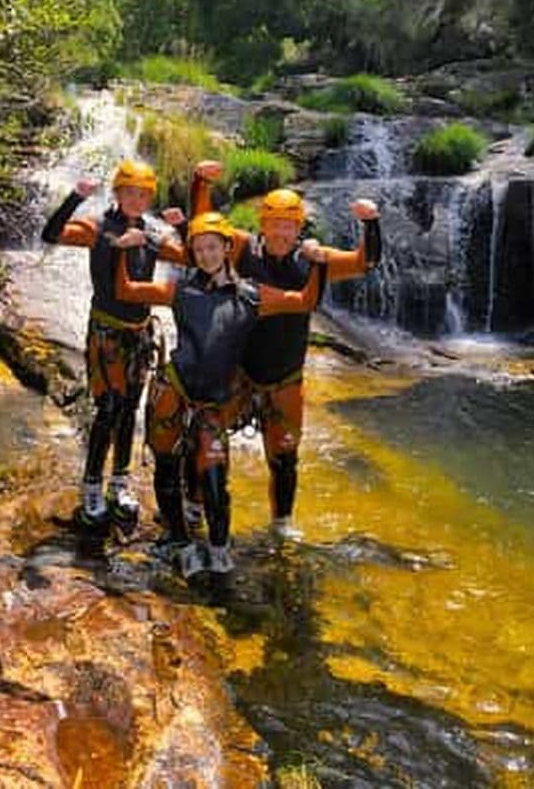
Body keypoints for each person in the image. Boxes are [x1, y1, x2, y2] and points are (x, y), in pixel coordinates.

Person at [114, 210, 321, 575]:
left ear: (228, 248)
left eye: (212, 247)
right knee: (167, 469)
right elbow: (126, 290)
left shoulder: (253, 297)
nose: (206, 255)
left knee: (214, 478)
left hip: (212, 403)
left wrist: (318, 263)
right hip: (172, 392)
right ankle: (178, 540)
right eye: (198, 249)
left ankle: (220, 547)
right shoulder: (181, 290)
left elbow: (304, 301)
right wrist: (121, 250)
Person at [192, 167, 381, 537]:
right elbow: (202, 226)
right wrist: (202, 183)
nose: (280, 232)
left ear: (299, 228)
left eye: (288, 226)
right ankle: (195, 504)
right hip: (240, 371)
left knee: (285, 458)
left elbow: (364, 262)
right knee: (206, 436)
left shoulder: (313, 260)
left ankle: (281, 523)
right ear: (263, 224)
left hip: (285, 379)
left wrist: (371, 223)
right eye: (274, 224)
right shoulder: (242, 249)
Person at [40, 159, 187, 531]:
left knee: (130, 409)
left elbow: (194, 257)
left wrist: (183, 227)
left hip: (139, 334)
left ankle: (119, 482)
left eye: (143, 194)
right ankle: (92, 485)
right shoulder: (98, 226)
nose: (136, 200)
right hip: (106, 332)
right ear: (118, 193)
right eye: (130, 193)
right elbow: (51, 234)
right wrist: (75, 197)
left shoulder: (153, 234)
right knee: (107, 409)